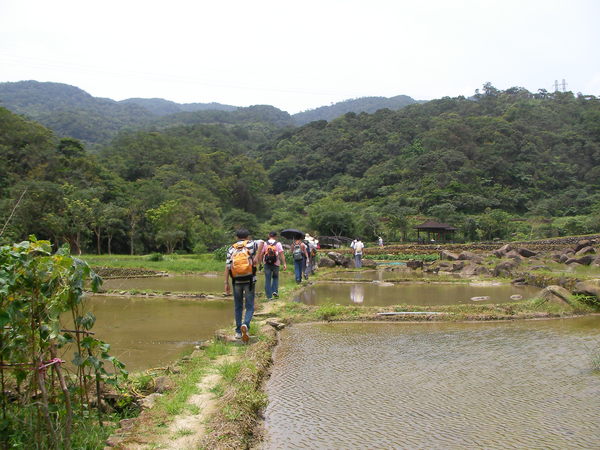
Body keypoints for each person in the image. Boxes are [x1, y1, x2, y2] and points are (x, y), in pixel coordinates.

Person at [224, 229, 257, 343]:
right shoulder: (251, 244)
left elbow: (228, 266)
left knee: (238, 306)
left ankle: (238, 332)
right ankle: (246, 324)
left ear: (236, 237)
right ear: (247, 236)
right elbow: (263, 242)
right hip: (249, 280)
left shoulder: (231, 248)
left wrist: (226, 283)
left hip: (236, 280)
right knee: (250, 306)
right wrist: (257, 257)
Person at [260, 231, 286, 300]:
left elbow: (261, 254)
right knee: (275, 278)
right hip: (276, 264)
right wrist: (284, 264)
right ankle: (274, 291)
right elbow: (281, 254)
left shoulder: (265, 243)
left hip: (266, 263)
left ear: (269, 236)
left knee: (267, 279)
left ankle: (269, 296)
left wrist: (260, 263)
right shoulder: (278, 244)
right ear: (275, 236)